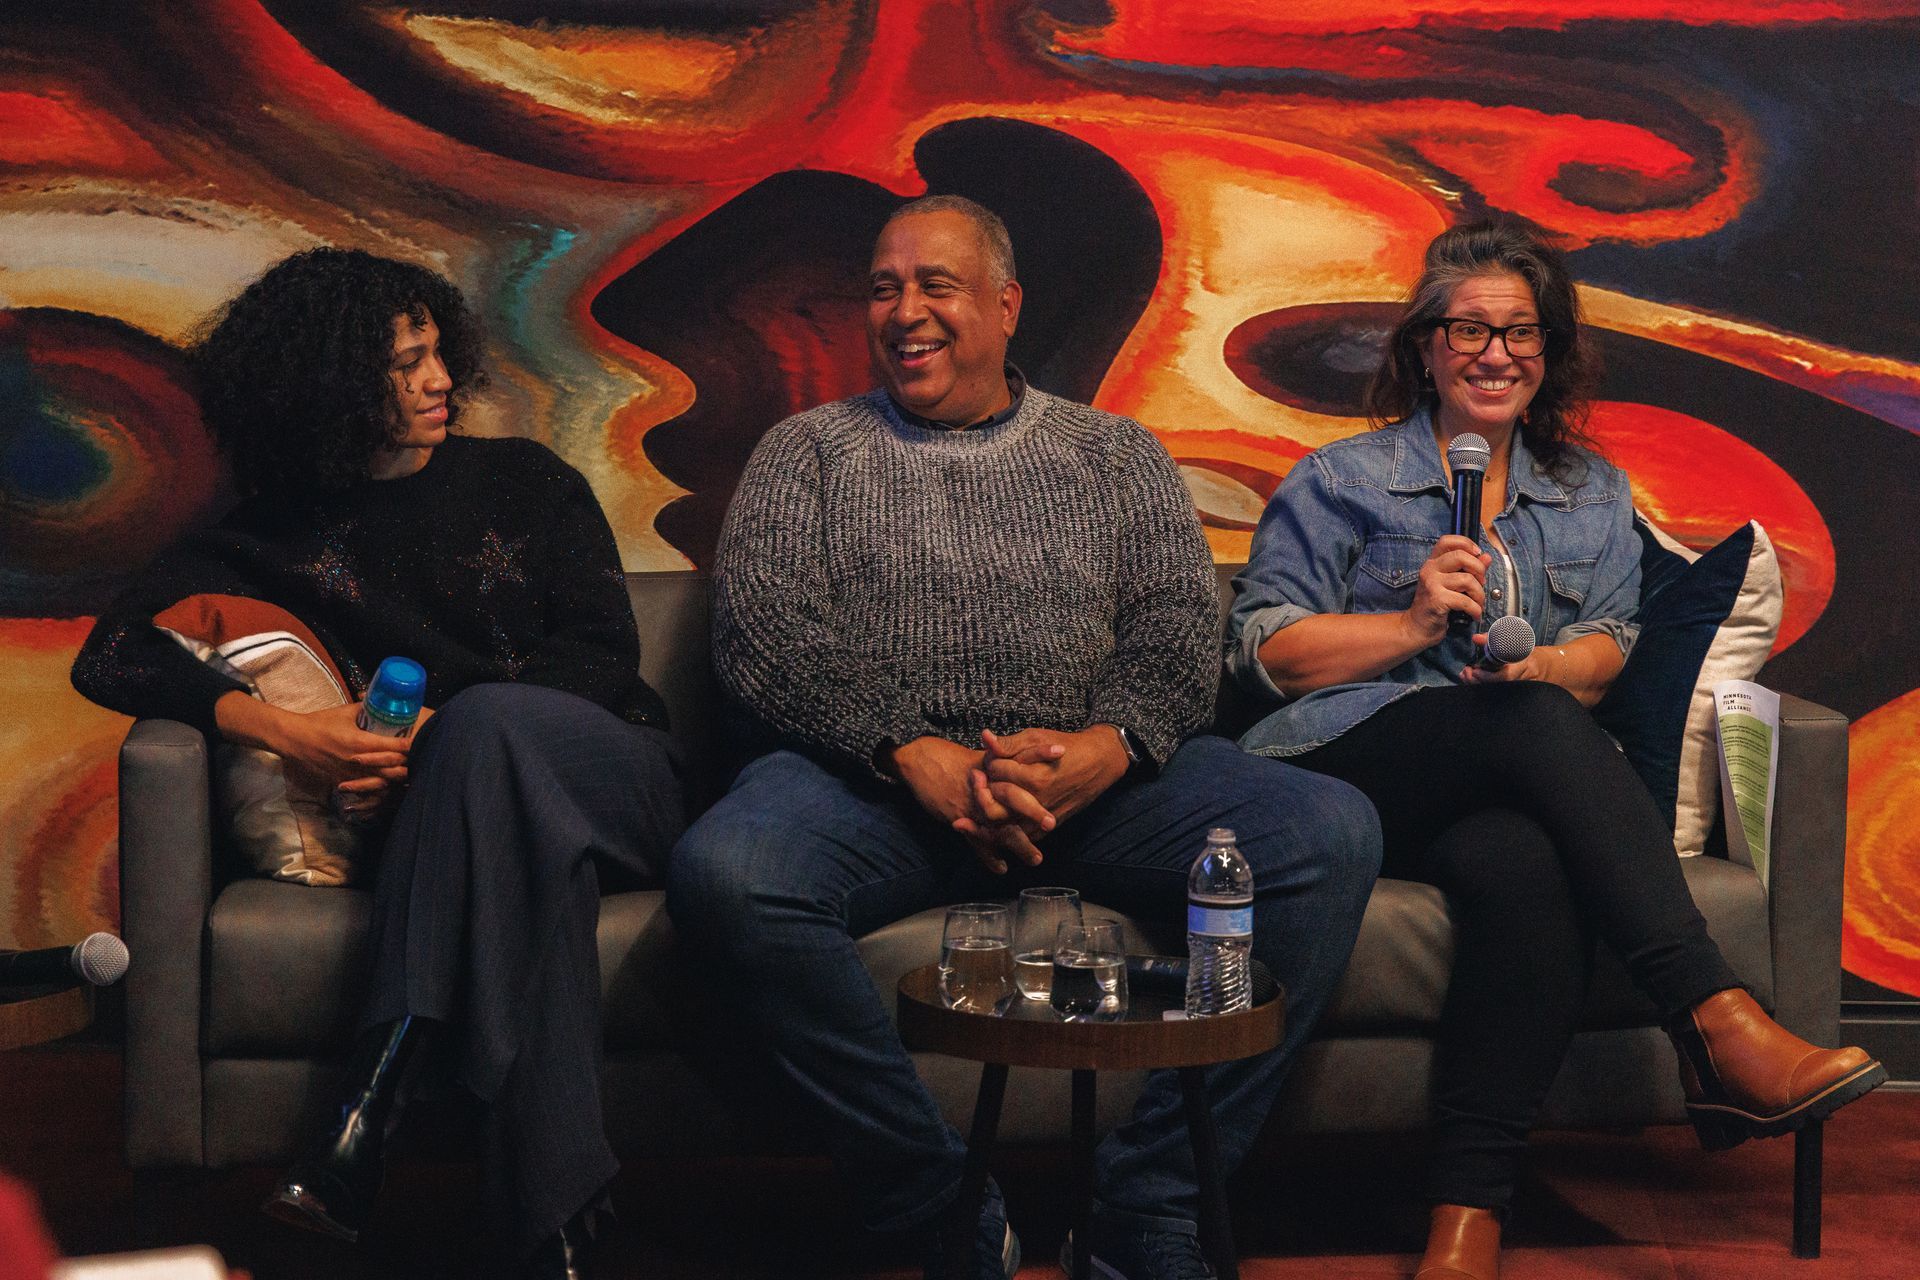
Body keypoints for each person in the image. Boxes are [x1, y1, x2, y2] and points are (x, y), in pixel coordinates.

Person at [665, 194, 1382, 1280]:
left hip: (1098, 788)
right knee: (729, 871)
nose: (904, 310)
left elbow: (1180, 627)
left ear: (1005, 306)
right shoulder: (805, 452)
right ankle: (938, 1209)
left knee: (1325, 832)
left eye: (934, 285)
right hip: (868, 791)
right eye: (882, 287)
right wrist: (911, 749)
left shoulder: (1114, 454)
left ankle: (1152, 1208)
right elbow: (766, 638)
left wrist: (1113, 743)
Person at [1225, 222, 1885, 1280]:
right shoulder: (1341, 479)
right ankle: (1716, 1016)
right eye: (1469, 330)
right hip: (1338, 765)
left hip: (1490, 773)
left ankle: (1466, 1213)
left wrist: (1540, 674)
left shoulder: (1593, 494)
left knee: (1524, 861)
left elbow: (1611, 645)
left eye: (1520, 332)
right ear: (1427, 348)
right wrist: (1407, 624)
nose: (1495, 354)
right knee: (1537, 729)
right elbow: (1263, 654)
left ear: (1550, 350)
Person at [71, 248, 684, 1280]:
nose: (441, 380)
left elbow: (598, 658)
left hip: (615, 778)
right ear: (331, 386)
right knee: (530, 867)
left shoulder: (527, 483)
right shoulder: (267, 536)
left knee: (487, 727)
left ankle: (371, 1096)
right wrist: (286, 731)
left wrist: (441, 735)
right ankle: (559, 1231)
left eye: (438, 351)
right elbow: (114, 651)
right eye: (406, 364)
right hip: (494, 831)